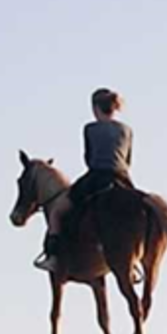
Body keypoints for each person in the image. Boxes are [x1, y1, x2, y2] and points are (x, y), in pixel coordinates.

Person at [35, 88, 135, 271]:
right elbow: (128, 161)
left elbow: (89, 158)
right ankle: (133, 264)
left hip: (97, 178)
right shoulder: (127, 130)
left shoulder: (90, 129)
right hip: (123, 179)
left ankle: (53, 257)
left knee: (57, 211)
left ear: (96, 108)